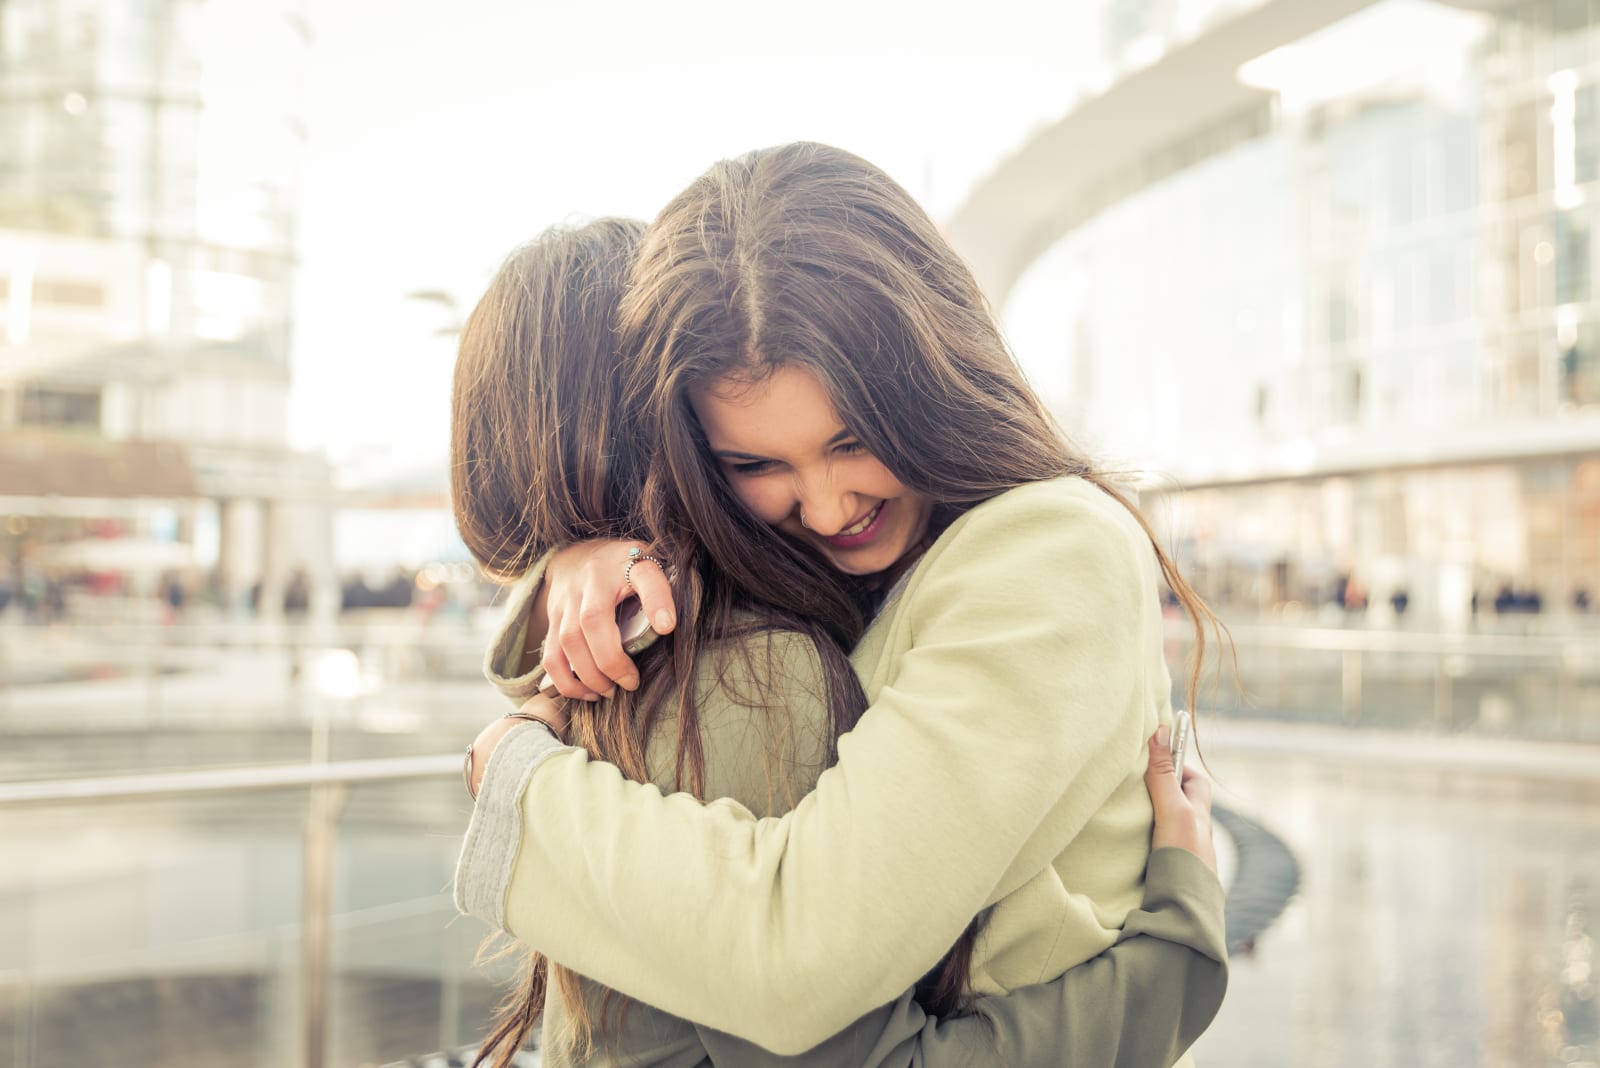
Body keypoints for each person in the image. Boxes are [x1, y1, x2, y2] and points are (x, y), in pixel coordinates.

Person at [455, 147, 1227, 1061]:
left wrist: (512, 771)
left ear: (929, 385)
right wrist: (573, 566)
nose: (825, 508)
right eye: (754, 464)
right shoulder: (772, 607)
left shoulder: (1050, 545)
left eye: (855, 440)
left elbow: (796, 964)